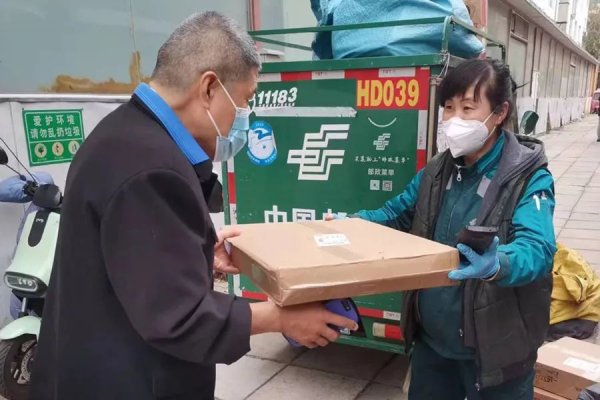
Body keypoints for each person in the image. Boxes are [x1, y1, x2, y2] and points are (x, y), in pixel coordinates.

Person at [30, 12, 357, 400]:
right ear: (209, 89)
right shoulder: (151, 169)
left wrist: (196, 254)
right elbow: (177, 316)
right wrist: (279, 317)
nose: (244, 119)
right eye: (245, 101)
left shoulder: (121, 134)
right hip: (130, 381)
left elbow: (133, 264)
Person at [333, 59, 556, 399]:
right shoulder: (438, 169)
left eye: (467, 108)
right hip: (433, 346)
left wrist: (499, 264)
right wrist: (353, 223)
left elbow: (537, 248)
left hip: (496, 352)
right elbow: (397, 214)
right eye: (448, 108)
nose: (454, 120)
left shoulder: (528, 177)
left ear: (499, 112)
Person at [0, 172, 54, 319]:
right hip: (24, 269)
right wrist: (27, 189)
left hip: (50, 279)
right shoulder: (45, 185)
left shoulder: (73, 209)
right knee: (16, 310)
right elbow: (2, 190)